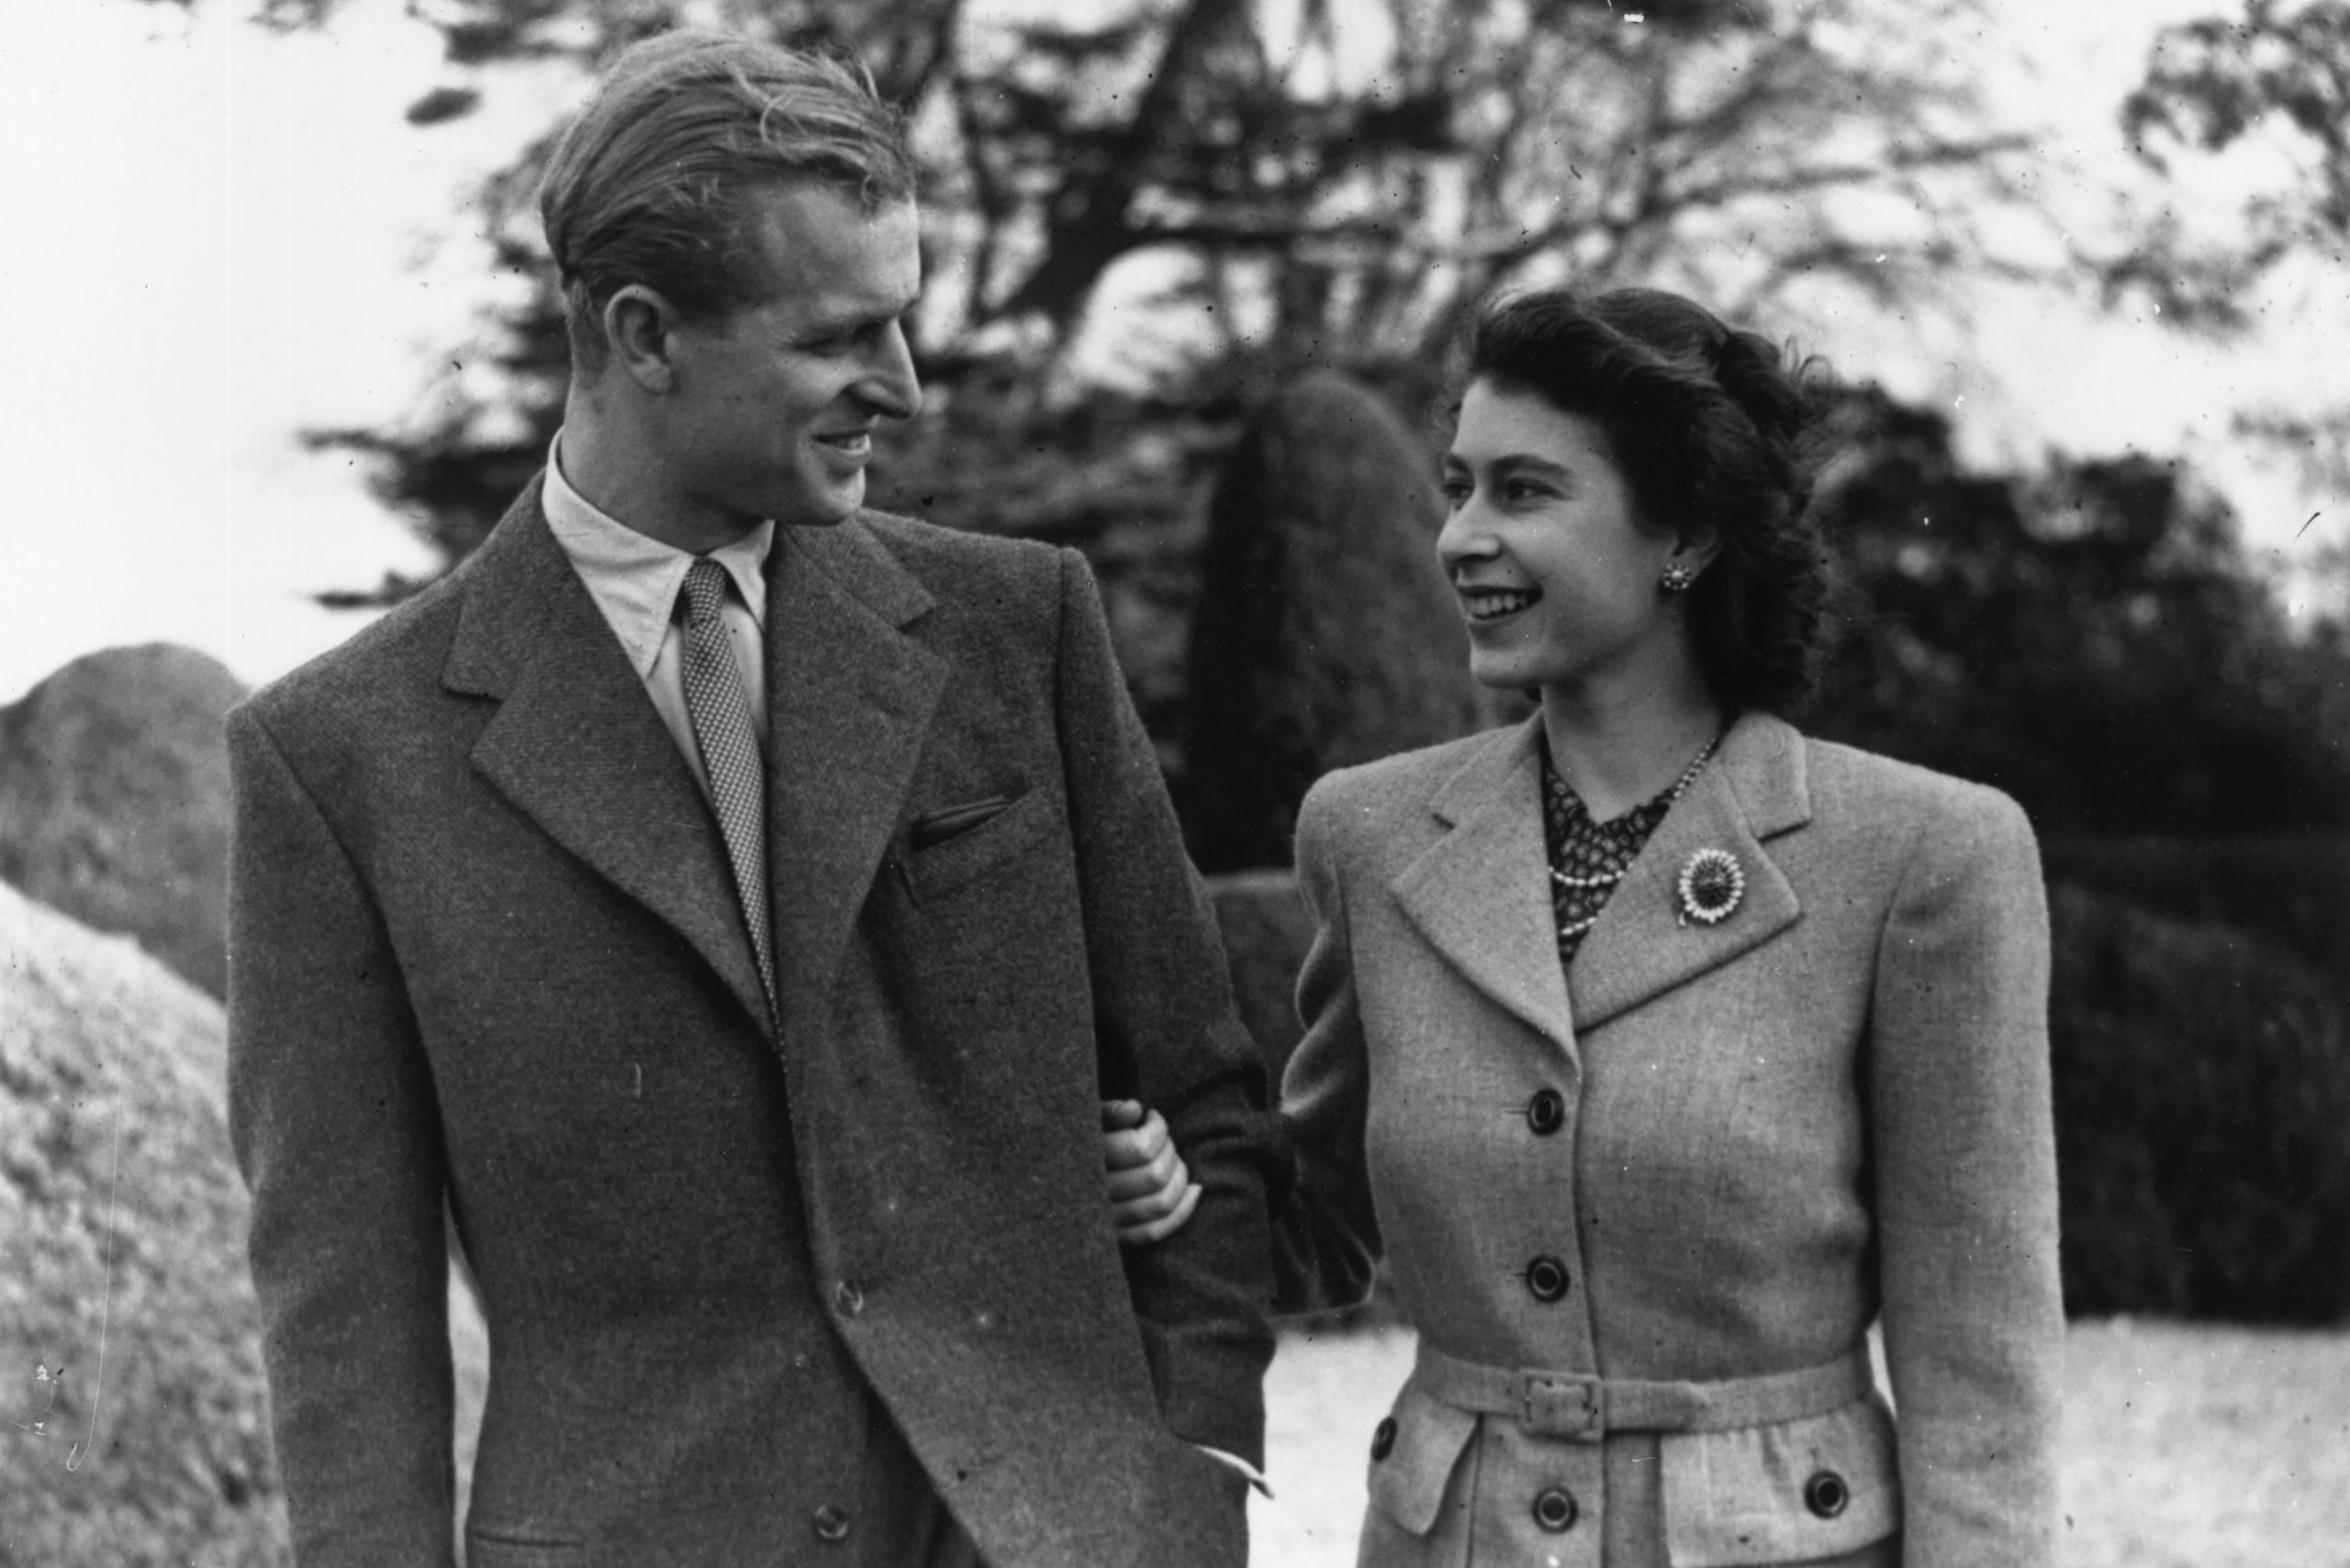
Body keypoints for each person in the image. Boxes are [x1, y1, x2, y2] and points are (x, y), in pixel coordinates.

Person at [226, 29, 1275, 1568]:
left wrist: (1185, 1492)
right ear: (646, 335)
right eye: (843, 337)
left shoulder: (1017, 632)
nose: (903, 388)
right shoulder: (340, 759)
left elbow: (1209, 1116)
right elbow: (345, 1328)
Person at [1108, 286, 2064, 1565]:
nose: (1458, 536)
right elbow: (1323, 1223)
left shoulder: (1924, 858)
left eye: (1523, 491)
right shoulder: (1369, 834)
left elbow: (1979, 1359)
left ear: (1683, 532)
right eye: (1457, 488)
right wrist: (1173, 1197)